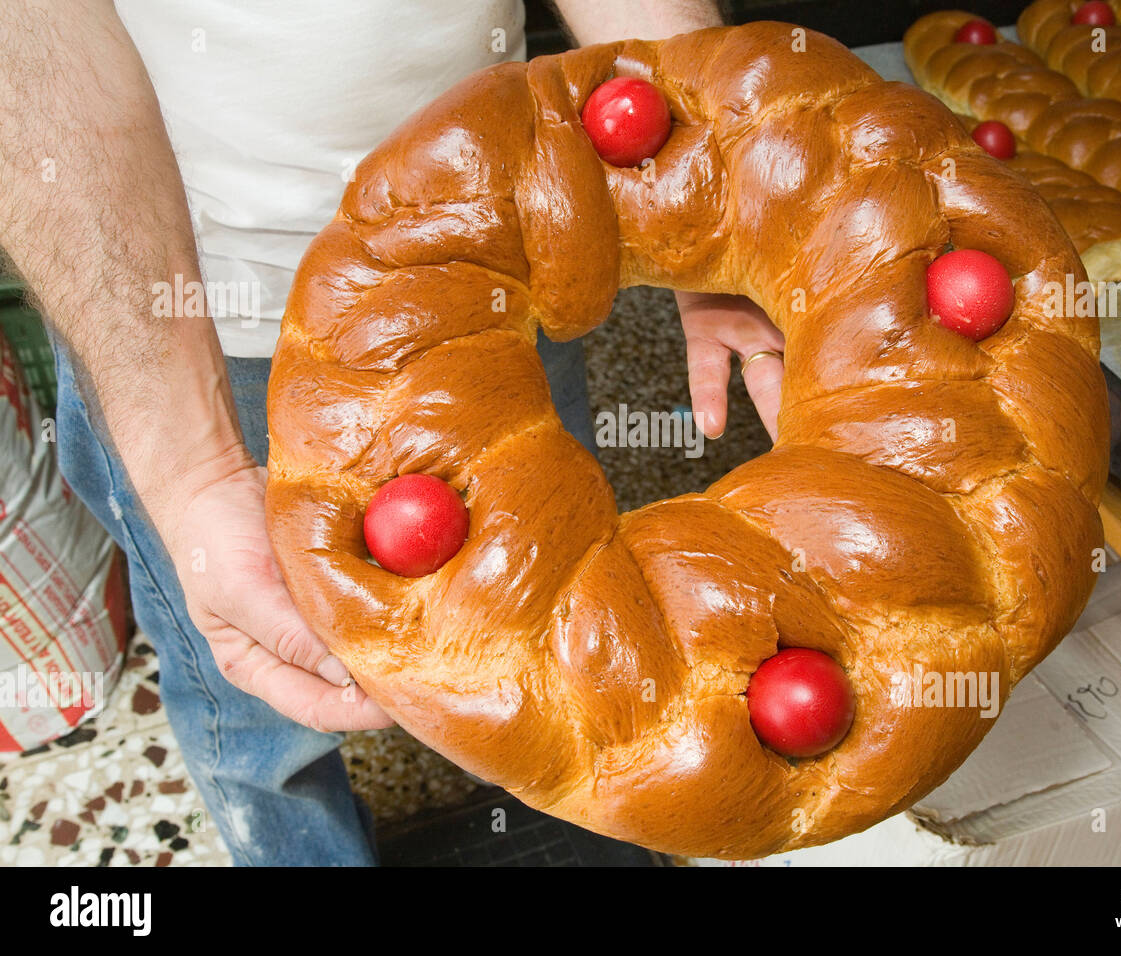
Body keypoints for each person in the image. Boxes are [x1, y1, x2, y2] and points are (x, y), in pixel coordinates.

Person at [0, 0, 787, 864]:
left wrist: (703, 187)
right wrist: (193, 465)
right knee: (261, 699)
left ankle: (595, 823)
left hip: (488, 274)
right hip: (198, 329)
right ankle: (303, 851)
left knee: (557, 614)